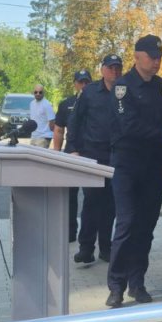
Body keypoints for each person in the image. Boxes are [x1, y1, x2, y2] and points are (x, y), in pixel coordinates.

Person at [106, 35, 162, 308]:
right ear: (137, 57)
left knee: (145, 228)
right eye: (152, 56)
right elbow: (129, 126)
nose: (157, 61)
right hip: (128, 165)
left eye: (159, 57)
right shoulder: (122, 87)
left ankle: (137, 283)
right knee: (126, 225)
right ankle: (116, 286)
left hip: (154, 168)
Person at [68, 55, 122, 264]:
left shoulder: (124, 91)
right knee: (91, 202)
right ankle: (86, 248)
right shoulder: (89, 92)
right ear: (102, 70)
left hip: (115, 156)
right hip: (92, 155)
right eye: (111, 68)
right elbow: (75, 121)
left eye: (117, 68)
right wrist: (73, 148)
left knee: (110, 204)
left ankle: (106, 248)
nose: (114, 72)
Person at [54, 69, 90, 242]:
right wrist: (56, 153)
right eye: (81, 82)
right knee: (70, 196)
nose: (84, 85)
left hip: (91, 153)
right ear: (75, 84)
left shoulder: (97, 102)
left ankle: (88, 236)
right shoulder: (66, 104)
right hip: (71, 152)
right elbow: (59, 130)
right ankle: (69, 233)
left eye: (87, 82)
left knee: (91, 197)